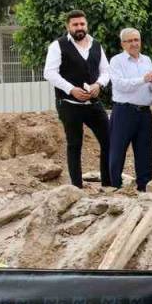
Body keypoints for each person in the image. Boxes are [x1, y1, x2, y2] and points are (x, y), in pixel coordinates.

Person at [43, 10, 111, 188]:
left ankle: (108, 184)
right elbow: (49, 72)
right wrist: (71, 89)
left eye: (82, 24)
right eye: (75, 24)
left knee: (109, 139)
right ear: (68, 26)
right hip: (69, 104)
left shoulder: (96, 45)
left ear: (86, 25)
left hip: (93, 103)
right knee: (75, 144)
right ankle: (76, 187)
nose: (79, 27)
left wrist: (98, 85)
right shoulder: (57, 46)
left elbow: (106, 71)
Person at [107, 28, 152, 191]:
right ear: (123, 43)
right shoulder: (117, 61)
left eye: (136, 40)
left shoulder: (146, 60)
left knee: (145, 151)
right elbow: (120, 85)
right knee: (118, 150)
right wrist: (144, 79)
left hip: (144, 112)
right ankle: (114, 186)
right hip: (124, 111)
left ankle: (144, 187)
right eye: (129, 41)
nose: (134, 44)